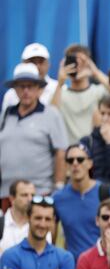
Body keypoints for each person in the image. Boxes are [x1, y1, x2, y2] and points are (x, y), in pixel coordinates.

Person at [0, 63, 67, 208]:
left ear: (39, 89)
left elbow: (60, 152)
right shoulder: (6, 114)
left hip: (40, 192)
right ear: (15, 90)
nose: (25, 91)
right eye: (21, 86)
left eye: (30, 86)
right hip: (7, 193)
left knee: (39, 229)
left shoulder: (51, 114)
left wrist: (59, 188)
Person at [51, 44, 110, 143]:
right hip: (71, 155)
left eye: (82, 62)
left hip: (94, 152)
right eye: (72, 61)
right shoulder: (60, 94)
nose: (77, 66)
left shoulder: (99, 91)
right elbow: (51, 115)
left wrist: (95, 72)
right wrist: (60, 82)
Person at [1, 43, 57, 114]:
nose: (37, 66)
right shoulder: (10, 95)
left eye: (41, 62)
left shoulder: (59, 88)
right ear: (23, 63)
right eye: (32, 62)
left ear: (48, 64)